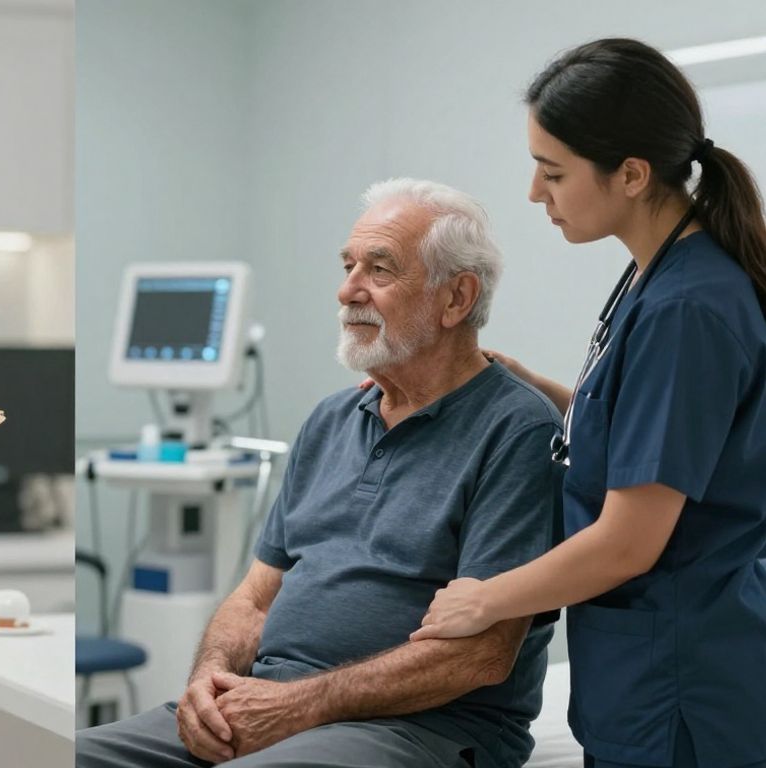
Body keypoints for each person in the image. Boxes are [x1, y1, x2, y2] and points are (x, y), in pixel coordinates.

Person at [75, 179, 563, 768]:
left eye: (379, 270)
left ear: (456, 298)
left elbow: (479, 655)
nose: (347, 290)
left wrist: (298, 706)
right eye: (348, 265)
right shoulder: (332, 419)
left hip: (416, 729)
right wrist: (208, 681)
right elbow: (255, 599)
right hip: (270, 704)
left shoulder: (517, 430)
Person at [411, 38, 766, 768]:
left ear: (631, 174)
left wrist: (485, 599)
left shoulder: (687, 307)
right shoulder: (654, 277)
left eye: (553, 172)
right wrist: (545, 388)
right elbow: (659, 438)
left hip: (681, 688)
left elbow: (631, 540)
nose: (535, 193)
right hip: (645, 674)